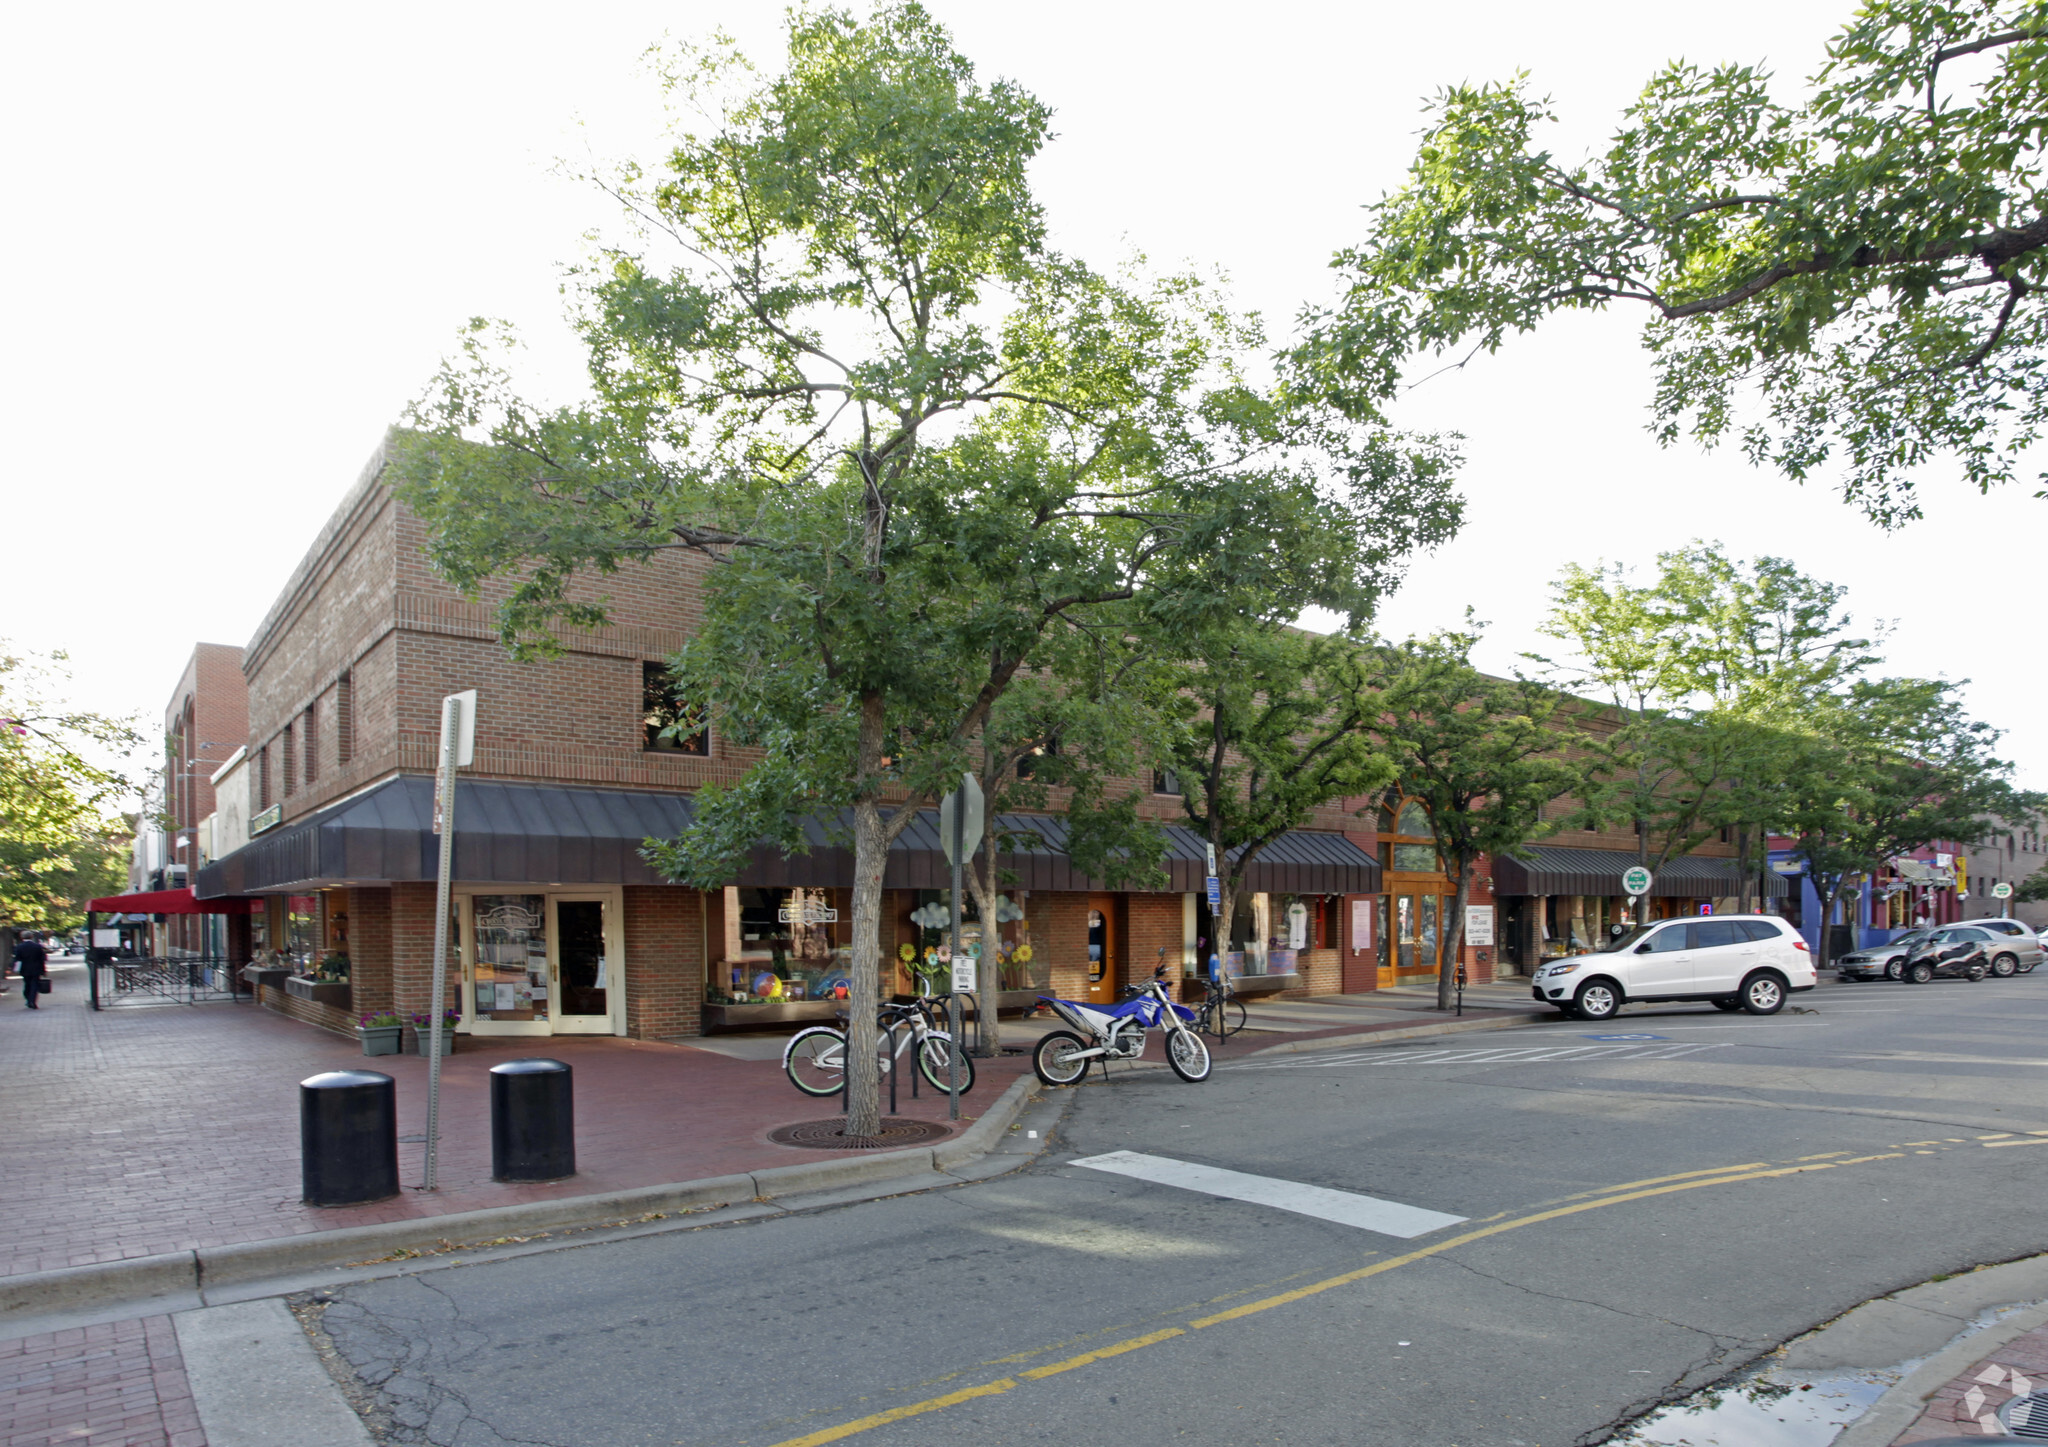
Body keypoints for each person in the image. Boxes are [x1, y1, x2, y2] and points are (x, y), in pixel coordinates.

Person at [13, 932, 48, 1009]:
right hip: (36, 969)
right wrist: (43, 970)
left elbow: (17, 959)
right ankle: (32, 1001)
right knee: (35, 985)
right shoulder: (37, 946)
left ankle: (28, 998)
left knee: (27, 984)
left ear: (22, 937)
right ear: (31, 937)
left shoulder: (19, 947)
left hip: (25, 969)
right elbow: (42, 959)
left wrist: (15, 968)